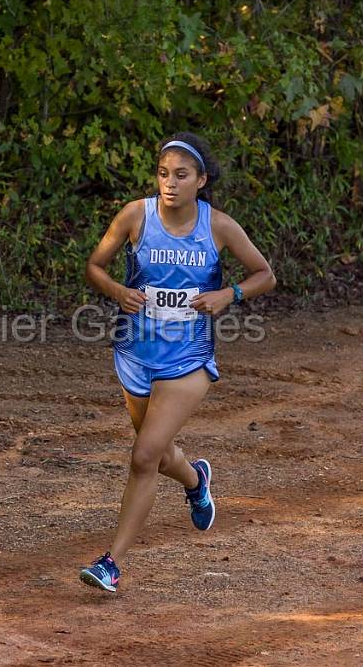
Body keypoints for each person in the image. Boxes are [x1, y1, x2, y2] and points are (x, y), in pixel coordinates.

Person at [79, 132, 276, 592]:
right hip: (134, 352)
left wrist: (230, 293)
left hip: (188, 358)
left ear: (201, 180)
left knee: (144, 455)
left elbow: (265, 274)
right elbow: (94, 266)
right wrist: (117, 291)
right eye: (163, 173)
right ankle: (195, 478)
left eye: (181, 175)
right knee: (160, 452)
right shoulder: (135, 215)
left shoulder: (219, 226)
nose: (170, 183)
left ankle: (112, 563)